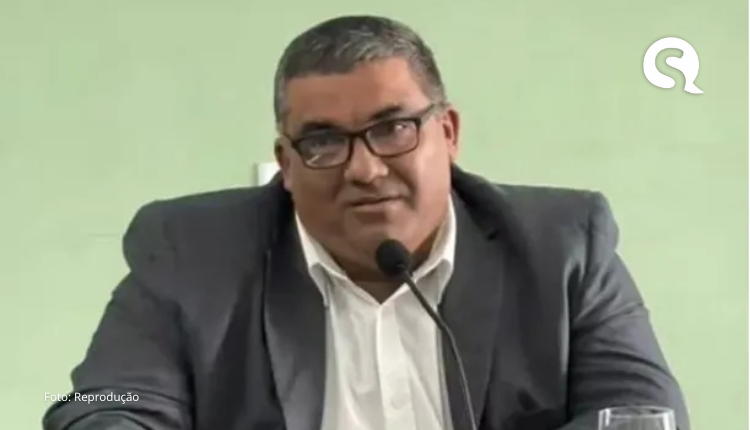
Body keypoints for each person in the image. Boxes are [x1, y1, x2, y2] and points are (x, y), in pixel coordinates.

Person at [43, 15, 690, 430]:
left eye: (393, 129)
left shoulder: (563, 245)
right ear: (286, 163)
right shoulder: (191, 252)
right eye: (324, 141)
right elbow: (102, 403)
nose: (365, 169)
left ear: (448, 132)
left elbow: (640, 414)